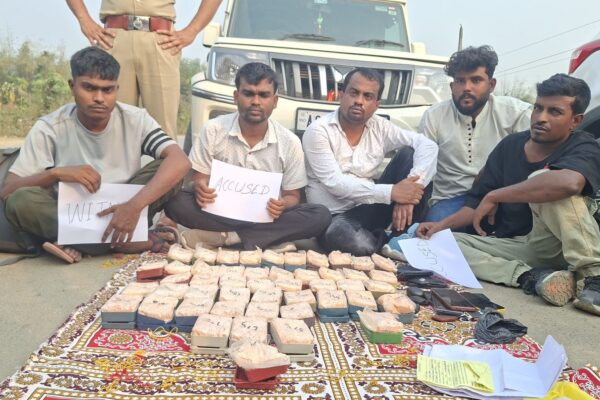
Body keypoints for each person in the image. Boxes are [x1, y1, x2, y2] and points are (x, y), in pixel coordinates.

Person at [416, 74, 600, 316]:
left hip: (565, 242)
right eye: (538, 108)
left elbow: (570, 183)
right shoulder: (510, 146)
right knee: (440, 245)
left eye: (554, 112)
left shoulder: (584, 145)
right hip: (524, 246)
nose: (541, 118)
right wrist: (440, 226)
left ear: (575, 120)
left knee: (544, 180)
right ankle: (532, 277)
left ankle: (593, 277)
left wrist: (497, 195)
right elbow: (475, 204)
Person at [0, 47, 191, 263]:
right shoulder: (50, 127)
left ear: (117, 89)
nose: (99, 98)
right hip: (71, 213)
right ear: (72, 86)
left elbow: (180, 161)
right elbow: (8, 190)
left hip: (125, 208)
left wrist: (133, 206)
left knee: (171, 168)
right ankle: (125, 241)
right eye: (89, 88)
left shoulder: (135, 119)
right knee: (20, 202)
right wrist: (56, 174)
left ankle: (79, 242)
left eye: (107, 90)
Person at [164, 62, 331, 250]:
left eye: (264, 95)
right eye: (248, 94)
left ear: (275, 101)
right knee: (174, 200)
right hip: (219, 213)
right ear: (236, 97)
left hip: (267, 217)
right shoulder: (213, 130)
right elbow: (199, 178)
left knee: (320, 215)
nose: (256, 102)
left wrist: (282, 204)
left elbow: (292, 196)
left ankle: (227, 237)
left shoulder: (289, 142)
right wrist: (200, 187)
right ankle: (268, 238)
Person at [302, 67, 438, 256]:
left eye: (368, 96)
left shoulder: (380, 126)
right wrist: (393, 192)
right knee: (348, 239)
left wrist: (410, 193)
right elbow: (335, 184)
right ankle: (387, 243)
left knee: (410, 153)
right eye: (354, 93)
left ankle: (400, 237)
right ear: (341, 95)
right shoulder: (319, 131)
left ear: (376, 104)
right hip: (333, 217)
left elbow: (428, 145)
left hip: (370, 208)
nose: (359, 101)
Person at [66, 0, 223, 138]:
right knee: (112, 127)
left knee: (163, 131)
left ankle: (163, 164)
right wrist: (83, 18)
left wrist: (192, 30)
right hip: (113, 39)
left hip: (161, 40)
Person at [421, 45, 532, 222]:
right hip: (452, 199)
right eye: (460, 81)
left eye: (476, 80)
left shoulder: (515, 113)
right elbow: (422, 167)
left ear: (491, 85)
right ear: (452, 86)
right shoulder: (434, 116)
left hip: (503, 196)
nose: (467, 88)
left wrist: (499, 195)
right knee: (431, 235)